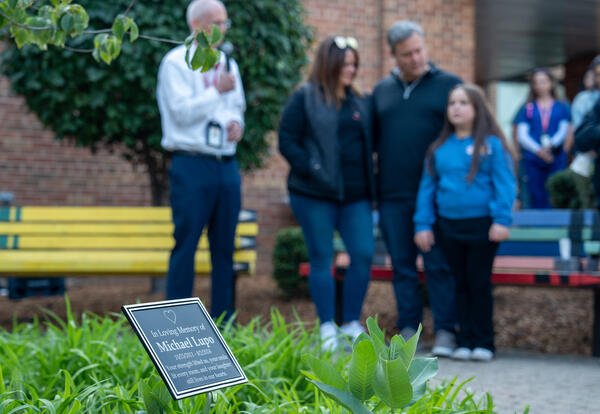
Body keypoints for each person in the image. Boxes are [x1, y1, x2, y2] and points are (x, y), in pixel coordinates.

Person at [278, 36, 375, 351]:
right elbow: (287, 140)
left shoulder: (360, 100)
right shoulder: (305, 97)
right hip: (314, 194)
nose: (351, 69)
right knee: (321, 258)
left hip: (356, 196)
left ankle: (350, 323)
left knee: (362, 255)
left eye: (354, 64)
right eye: (346, 63)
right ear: (329, 63)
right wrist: (312, 168)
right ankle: (327, 328)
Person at [372, 20, 461, 357]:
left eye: (419, 50)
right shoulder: (382, 92)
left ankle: (446, 331)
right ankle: (410, 330)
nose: (416, 58)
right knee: (403, 267)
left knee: (439, 265)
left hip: (438, 198)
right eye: (407, 54)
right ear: (393, 54)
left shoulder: (449, 86)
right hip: (393, 195)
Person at [414, 84, 517, 361]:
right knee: (458, 283)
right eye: (452, 103)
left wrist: (501, 219)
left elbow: (504, 183)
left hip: (483, 226)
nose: (456, 108)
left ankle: (484, 341)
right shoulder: (439, 149)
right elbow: (427, 189)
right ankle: (464, 339)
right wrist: (422, 223)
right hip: (449, 227)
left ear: (477, 109)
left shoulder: (491, 145)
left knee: (478, 282)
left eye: (463, 103)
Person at [157, 0, 245, 319]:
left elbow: (237, 107)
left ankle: (224, 322)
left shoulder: (227, 63)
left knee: (224, 248)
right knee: (187, 243)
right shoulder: (176, 63)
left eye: (225, 22)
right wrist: (216, 92)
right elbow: (180, 114)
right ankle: (176, 323)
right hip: (192, 163)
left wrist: (238, 125)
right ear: (197, 26)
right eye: (217, 22)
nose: (223, 29)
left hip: (227, 164)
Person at [514, 68, 571, 209]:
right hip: (533, 158)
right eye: (536, 82)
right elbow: (522, 134)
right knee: (534, 193)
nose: (540, 86)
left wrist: (550, 146)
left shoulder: (561, 107)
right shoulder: (527, 108)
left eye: (543, 81)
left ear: (551, 83)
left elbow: (564, 130)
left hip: (555, 157)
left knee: (554, 193)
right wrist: (538, 150)